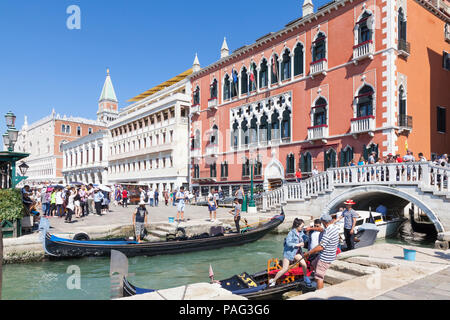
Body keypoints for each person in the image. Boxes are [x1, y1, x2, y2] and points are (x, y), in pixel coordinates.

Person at [269, 218, 311, 288]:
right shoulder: (291, 233)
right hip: (289, 253)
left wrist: (308, 234)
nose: (302, 228)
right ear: (297, 225)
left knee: (304, 264)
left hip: (297, 252)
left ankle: (305, 277)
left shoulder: (301, 232)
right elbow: (288, 243)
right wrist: (298, 244)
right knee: (285, 269)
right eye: (302, 226)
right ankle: (274, 281)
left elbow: (304, 237)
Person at [303, 213, 340, 290]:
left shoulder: (328, 231)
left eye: (322, 222)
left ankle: (320, 293)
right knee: (314, 263)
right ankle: (317, 281)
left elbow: (321, 247)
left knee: (319, 276)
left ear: (324, 222)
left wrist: (308, 253)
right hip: (329, 254)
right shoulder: (334, 227)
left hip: (325, 257)